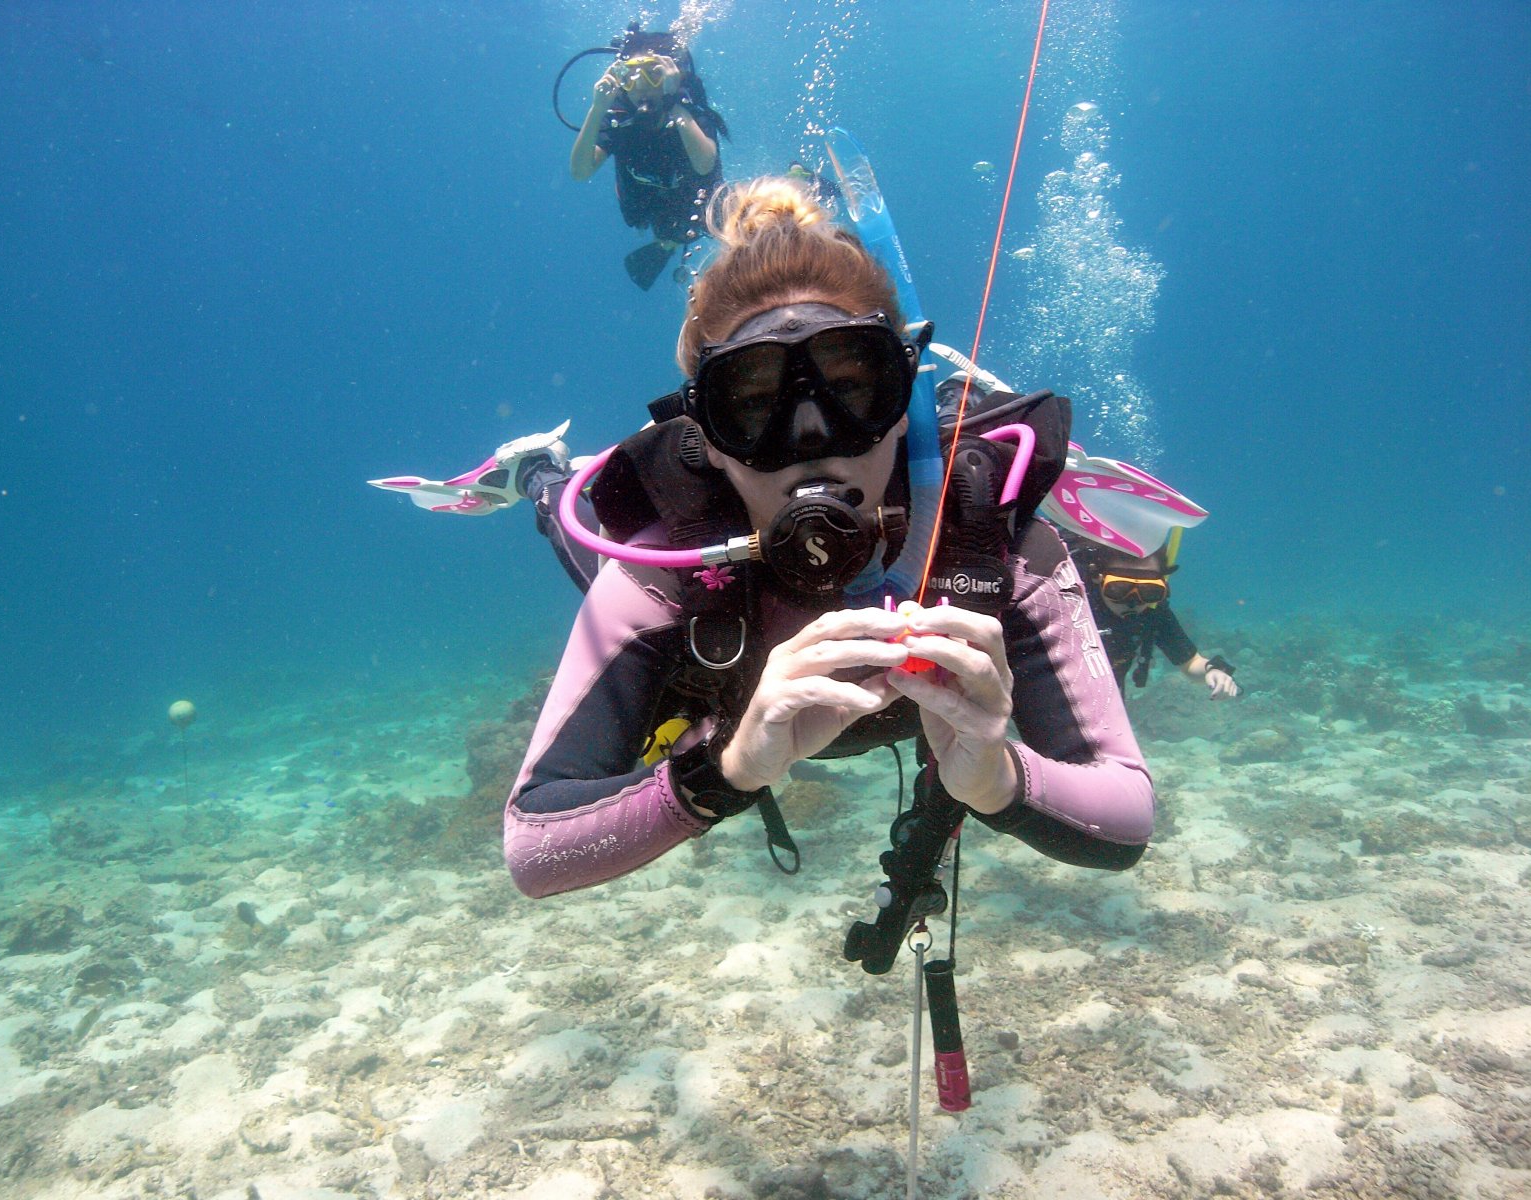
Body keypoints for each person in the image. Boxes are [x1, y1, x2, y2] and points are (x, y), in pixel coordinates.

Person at [502, 176, 1155, 925]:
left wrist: (998, 779)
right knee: (580, 544)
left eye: (852, 388)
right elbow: (532, 844)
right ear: (708, 442)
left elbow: (1128, 811)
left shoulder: (988, 541)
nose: (811, 440)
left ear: (903, 404)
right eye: (751, 405)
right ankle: (540, 477)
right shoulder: (664, 573)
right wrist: (730, 767)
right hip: (715, 627)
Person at [568, 27, 727, 290]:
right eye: (630, 77)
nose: (641, 87)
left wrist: (673, 101)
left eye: (653, 75)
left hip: (706, 206)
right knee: (668, 231)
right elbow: (580, 171)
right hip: (658, 214)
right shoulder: (619, 120)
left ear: (669, 75)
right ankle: (668, 243)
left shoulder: (688, 109)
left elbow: (704, 164)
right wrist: (598, 108)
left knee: (738, 220)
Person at [1065, 534, 1240, 699]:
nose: (1133, 602)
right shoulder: (1065, 600)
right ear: (1097, 576)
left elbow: (1191, 663)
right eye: (1119, 588)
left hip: (1105, 702)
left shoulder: (1153, 612)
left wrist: (1213, 670)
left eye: (1149, 591)